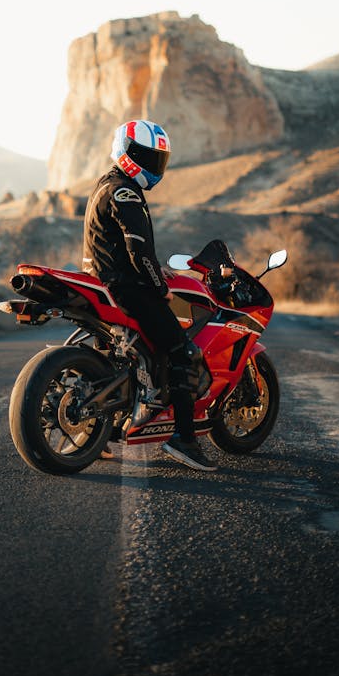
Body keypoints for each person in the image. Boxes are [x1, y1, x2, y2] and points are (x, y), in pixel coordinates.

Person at [83, 119, 218, 473]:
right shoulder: (126, 192)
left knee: (118, 358)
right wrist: (160, 287)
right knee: (183, 350)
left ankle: (100, 435)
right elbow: (138, 249)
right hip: (126, 288)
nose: (153, 164)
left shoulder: (106, 184)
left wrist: (158, 269)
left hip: (102, 284)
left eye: (158, 158)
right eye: (146, 155)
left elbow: (124, 246)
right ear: (126, 151)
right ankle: (185, 440)